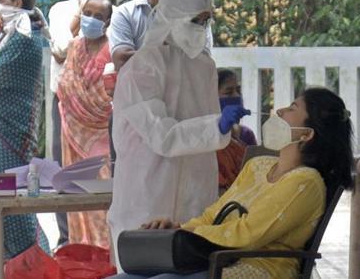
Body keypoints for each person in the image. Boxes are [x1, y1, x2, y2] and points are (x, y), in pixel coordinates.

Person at [110, 87, 355, 279]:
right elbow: (212, 216)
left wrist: (189, 236)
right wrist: (178, 229)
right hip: (216, 259)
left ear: (306, 134)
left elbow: (248, 234)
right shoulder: (257, 166)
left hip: (258, 269)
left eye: (292, 107)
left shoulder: (305, 183)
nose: (279, 112)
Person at [107, 0, 249, 270]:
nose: (202, 27)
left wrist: (220, 128)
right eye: (196, 20)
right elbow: (163, 136)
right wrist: (217, 126)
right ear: (173, 16)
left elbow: (209, 135)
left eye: (206, 20)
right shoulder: (141, 69)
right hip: (147, 195)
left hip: (197, 197)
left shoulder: (204, 67)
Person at [0, 0, 50, 257]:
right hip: (0, 124)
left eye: (2, 1)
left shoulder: (25, 38)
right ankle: (12, 264)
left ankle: (35, 259)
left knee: (13, 199)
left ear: (17, 3)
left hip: (12, 127)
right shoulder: (16, 32)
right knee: (0, 197)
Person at [48, 0, 105, 247]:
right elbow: (59, 50)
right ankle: (67, 239)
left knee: (103, 170)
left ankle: (103, 238)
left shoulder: (114, 12)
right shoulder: (60, 10)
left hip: (101, 109)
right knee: (66, 170)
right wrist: (81, 15)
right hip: (67, 106)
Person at [56, 0, 114, 248]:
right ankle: (82, 253)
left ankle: (105, 256)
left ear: (108, 21)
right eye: (87, 13)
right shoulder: (74, 47)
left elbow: (108, 96)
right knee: (75, 197)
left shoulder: (112, 50)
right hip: (72, 132)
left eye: (98, 16)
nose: (91, 19)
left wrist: (89, 101)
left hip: (101, 135)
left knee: (101, 197)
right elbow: (66, 85)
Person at [216, 69, 257, 193]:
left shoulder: (246, 135)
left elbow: (255, 173)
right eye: (229, 92)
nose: (237, 96)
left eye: (238, 91)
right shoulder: (204, 140)